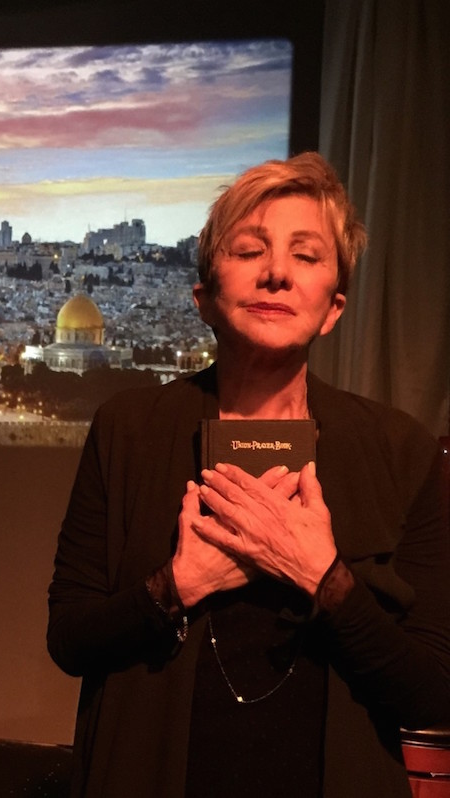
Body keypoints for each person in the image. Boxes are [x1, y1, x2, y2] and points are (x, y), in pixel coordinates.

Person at [47, 152, 450, 797]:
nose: (277, 274)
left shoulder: (399, 451)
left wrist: (325, 578)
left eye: (307, 255)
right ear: (204, 298)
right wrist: (175, 586)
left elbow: (431, 691)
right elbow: (69, 639)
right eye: (248, 250)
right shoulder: (128, 430)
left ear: (334, 307)